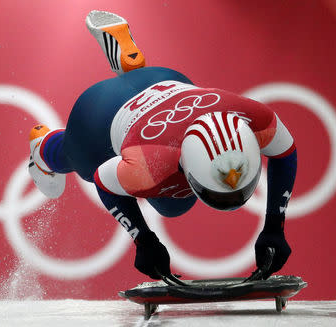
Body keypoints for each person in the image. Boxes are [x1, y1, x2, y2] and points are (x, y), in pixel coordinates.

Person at [28, 10, 297, 280]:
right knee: (81, 164)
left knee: (174, 206)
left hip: (165, 78)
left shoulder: (258, 118)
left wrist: (275, 225)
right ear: (185, 166)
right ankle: (42, 148)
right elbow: (103, 180)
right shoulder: (149, 164)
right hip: (100, 110)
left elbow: (285, 152)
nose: (233, 199)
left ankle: (129, 63)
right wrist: (143, 240)